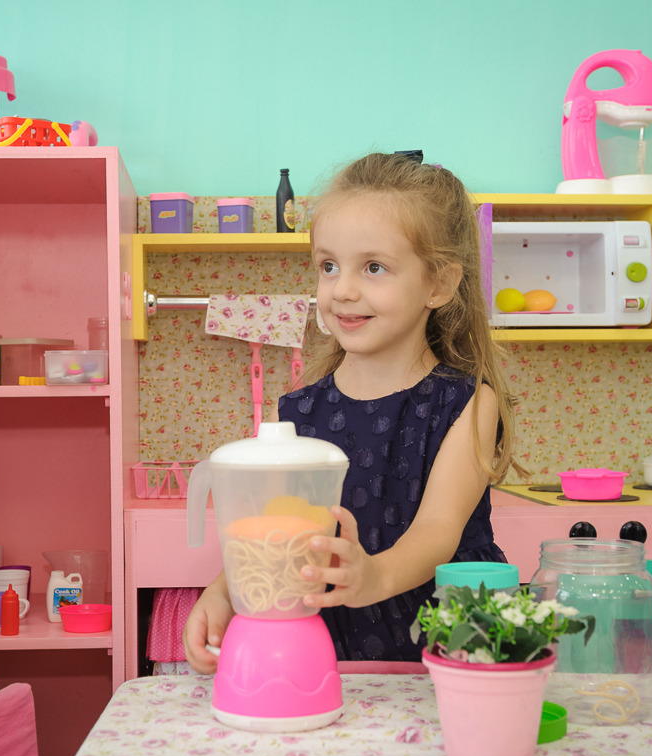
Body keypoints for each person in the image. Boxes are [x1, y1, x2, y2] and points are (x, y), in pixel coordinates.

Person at [185, 152, 524, 669]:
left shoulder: (467, 402)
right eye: (328, 266)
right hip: (337, 654)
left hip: (453, 652)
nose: (342, 289)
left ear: (439, 284)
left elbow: (438, 531)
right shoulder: (296, 413)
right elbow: (279, 528)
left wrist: (375, 577)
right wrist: (224, 591)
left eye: (373, 267)